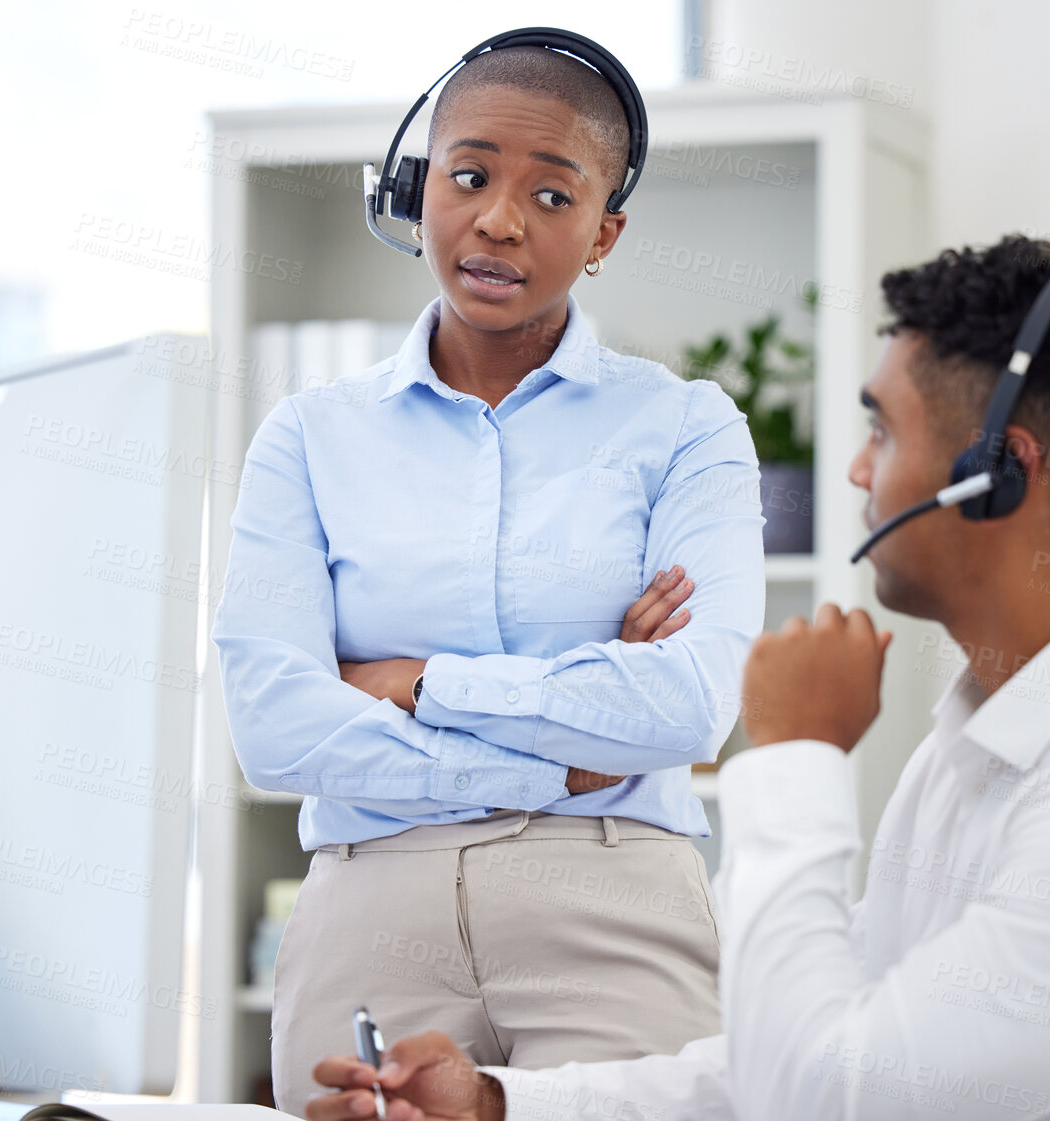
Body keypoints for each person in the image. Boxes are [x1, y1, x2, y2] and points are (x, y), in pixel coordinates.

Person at [301, 235, 1050, 1120]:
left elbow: (827, 1097)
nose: (859, 471)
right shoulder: (981, 750)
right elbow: (792, 1049)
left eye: (882, 427)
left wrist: (792, 758)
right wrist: (502, 1101)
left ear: (991, 479)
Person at [208, 38, 766, 1113]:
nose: (500, 221)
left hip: (611, 899)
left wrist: (410, 678)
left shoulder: (686, 426)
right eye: (468, 177)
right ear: (418, 190)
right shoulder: (309, 435)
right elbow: (272, 723)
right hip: (373, 907)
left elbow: (690, 705)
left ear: (604, 231)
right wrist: (559, 755)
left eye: (551, 194)